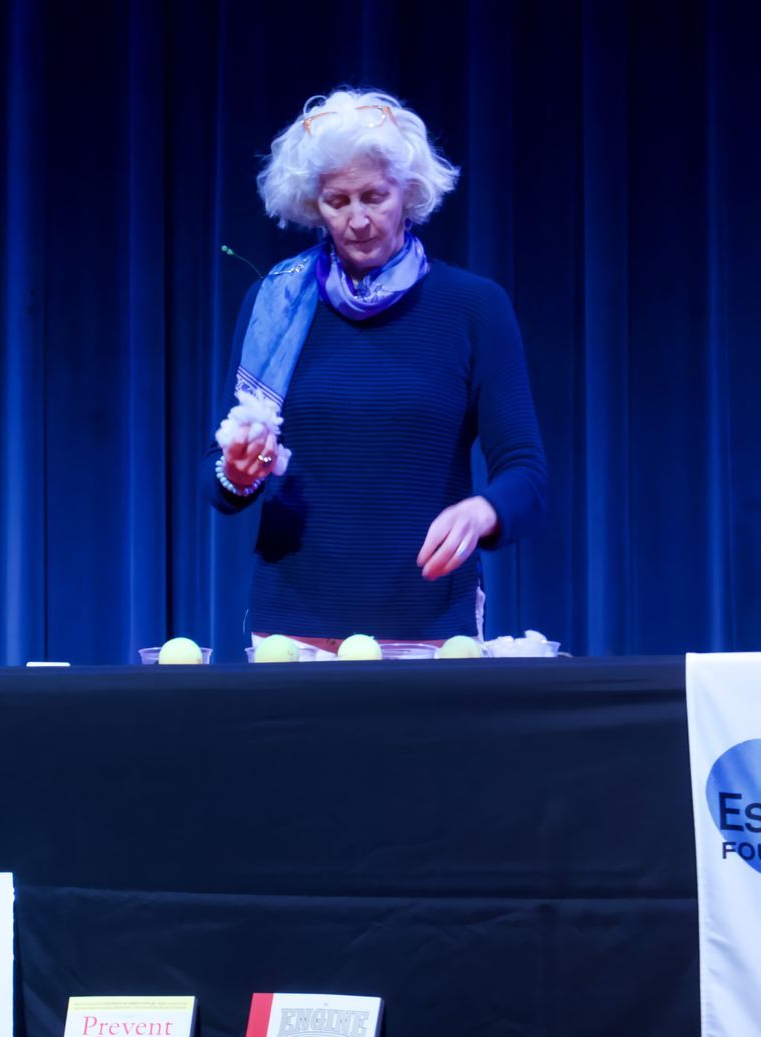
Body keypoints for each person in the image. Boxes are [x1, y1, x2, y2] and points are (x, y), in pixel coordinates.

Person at [207, 88, 548, 651]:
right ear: (312, 205)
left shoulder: (474, 307)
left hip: (430, 628)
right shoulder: (275, 306)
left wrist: (483, 509)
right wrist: (237, 474)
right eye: (338, 202)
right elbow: (218, 482)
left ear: (408, 193)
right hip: (293, 629)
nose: (358, 219)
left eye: (375, 196)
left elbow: (526, 475)